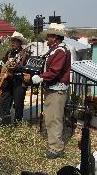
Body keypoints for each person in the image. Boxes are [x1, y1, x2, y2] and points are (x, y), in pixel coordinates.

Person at [24, 23, 71, 159]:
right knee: (52, 117)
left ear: (55, 37)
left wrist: (36, 78)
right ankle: (55, 144)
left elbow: (53, 72)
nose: (47, 38)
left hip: (57, 90)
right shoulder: (56, 49)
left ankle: (56, 148)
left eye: (49, 36)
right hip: (54, 88)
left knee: (53, 118)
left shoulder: (60, 51)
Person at [0, 31, 29, 125]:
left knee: (18, 105)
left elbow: (26, 68)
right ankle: (4, 124)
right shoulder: (8, 52)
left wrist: (16, 67)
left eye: (15, 41)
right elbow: (1, 64)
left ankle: (18, 126)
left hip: (19, 82)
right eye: (12, 40)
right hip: (7, 81)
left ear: (20, 42)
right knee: (4, 102)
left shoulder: (25, 54)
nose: (12, 42)